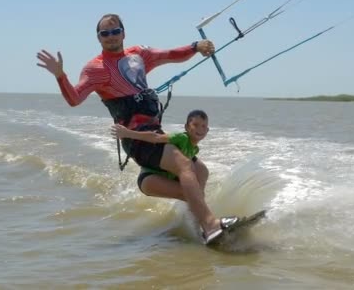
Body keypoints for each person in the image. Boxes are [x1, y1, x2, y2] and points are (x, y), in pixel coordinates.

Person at [36, 13, 235, 244]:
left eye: (115, 31)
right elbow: (74, 98)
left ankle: (199, 225)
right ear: (98, 38)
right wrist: (61, 76)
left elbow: (170, 55)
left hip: (155, 134)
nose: (111, 37)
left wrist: (195, 46)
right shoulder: (95, 69)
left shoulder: (138, 55)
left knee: (201, 172)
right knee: (183, 165)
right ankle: (211, 225)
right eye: (105, 33)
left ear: (123, 33)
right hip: (136, 138)